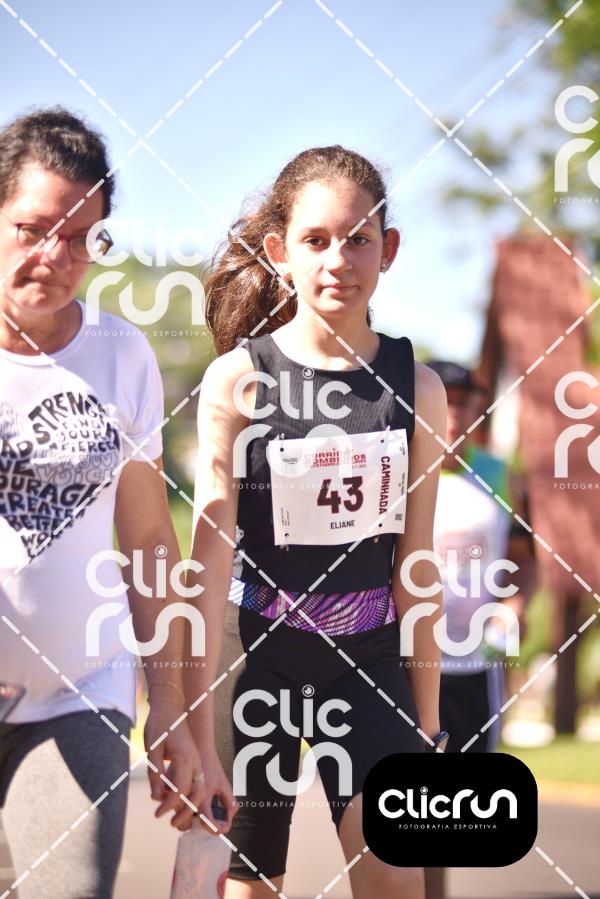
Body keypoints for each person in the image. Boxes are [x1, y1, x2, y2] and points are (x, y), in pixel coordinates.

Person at [184, 146, 448, 899]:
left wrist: (428, 725)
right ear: (280, 252)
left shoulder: (418, 388)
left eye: (359, 239)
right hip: (253, 654)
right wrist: (192, 719)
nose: (339, 260)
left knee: (395, 878)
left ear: (388, 249)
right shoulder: (237, 380)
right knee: (249, 887)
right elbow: (207, 560)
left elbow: (416, 564)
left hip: (368, 659)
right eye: (316, 239)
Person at [0, 107, 200, 899]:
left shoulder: (121, 354)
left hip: (79, 688)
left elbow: (149, 539)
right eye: (33, 228)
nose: (56, 256)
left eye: (81, 238)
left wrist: (172, 703)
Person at [423, 360, 535, 899]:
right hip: (409, 663)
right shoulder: (403, 473)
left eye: (464, 404)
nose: (454, 415)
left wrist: (515, 605)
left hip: (475, 663)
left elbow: (523, 560)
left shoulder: (497, 476)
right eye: (445, 403)